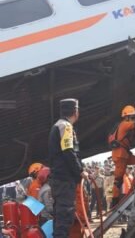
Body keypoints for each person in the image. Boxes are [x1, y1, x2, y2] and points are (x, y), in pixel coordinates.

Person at [49, 98, 83, 238]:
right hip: (64, 180)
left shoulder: (58, 125)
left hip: (59, 179)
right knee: (64, 218)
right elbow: (68, 152)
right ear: (75, 111)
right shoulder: (66, 126)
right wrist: (80, 171)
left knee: (60, 217)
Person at [111, 105, 135, 207]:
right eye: (132, 117)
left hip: (125, 154)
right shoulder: (124, 124)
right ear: (127, 117)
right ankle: (114, 202)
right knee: (118, 179)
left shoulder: (128, 126)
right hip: (120, 155)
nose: (133, 119)